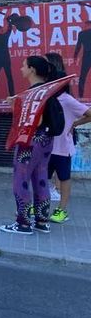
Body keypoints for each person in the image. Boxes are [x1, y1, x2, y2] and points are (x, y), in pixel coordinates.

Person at [1, 56, 65, 235]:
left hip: (30, 141)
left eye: (24, 65)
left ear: (32, 70)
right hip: (46, 141)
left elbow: (35, 121)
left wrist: (17, 107)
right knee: (41, 179)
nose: (21, 68)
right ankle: (42, 221)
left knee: (21, 181)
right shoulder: (47, 91)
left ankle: (22, 223)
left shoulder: (34, 93)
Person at [45, 52, 89, 225]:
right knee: (43, 178)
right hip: (47, 147)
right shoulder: (47, 99)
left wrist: (75, 123)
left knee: (64, 178)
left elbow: (88, 114)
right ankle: (40, 205)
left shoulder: (67, 100)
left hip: (63, 148)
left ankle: (62, 210)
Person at [75, 21, 91, 97]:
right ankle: (80, 95)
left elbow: (78, 46)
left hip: (87, 56)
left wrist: (75, 56)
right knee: (82, 76)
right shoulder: (82, 33)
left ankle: (80, 96)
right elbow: (78, 46)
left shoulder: (82, 34)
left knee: (82, 77)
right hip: (86, 56)